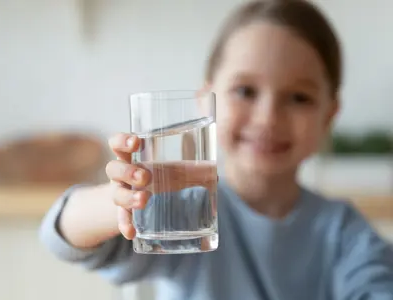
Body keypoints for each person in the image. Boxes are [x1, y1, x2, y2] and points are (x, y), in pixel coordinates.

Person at [39, 0, 393, 299]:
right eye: (245, 91)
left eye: (299, 97)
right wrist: (119, 200)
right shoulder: (184, 211)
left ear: (328, 116)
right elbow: (61, 235)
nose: (268, 118)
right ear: (206, 102)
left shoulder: (344, 232)